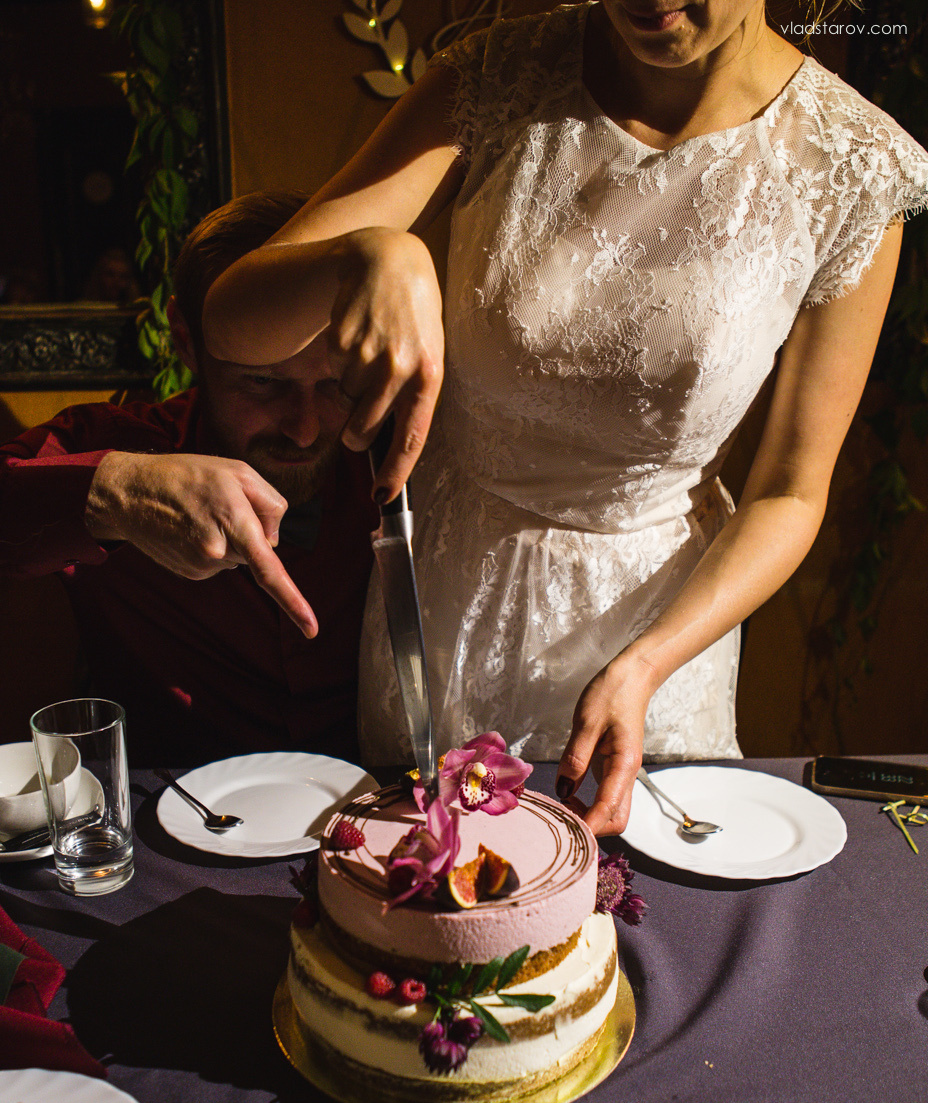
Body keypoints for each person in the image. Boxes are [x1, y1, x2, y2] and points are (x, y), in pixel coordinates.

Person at [201, 0, 928, 835]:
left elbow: (790, 494)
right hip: (447, 602)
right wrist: (367, 252)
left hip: (659, 633)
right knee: (429, 904)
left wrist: (650, 664)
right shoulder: (496, 80)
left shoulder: (855, 168)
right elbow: (232, 323)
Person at [0, 192, 378, 764]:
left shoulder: (402, 463)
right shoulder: (114, 442)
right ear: (185, 340)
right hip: (168, 825)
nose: (305, 430)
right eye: (264, 383)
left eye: (334, 383)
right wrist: (108, 494)